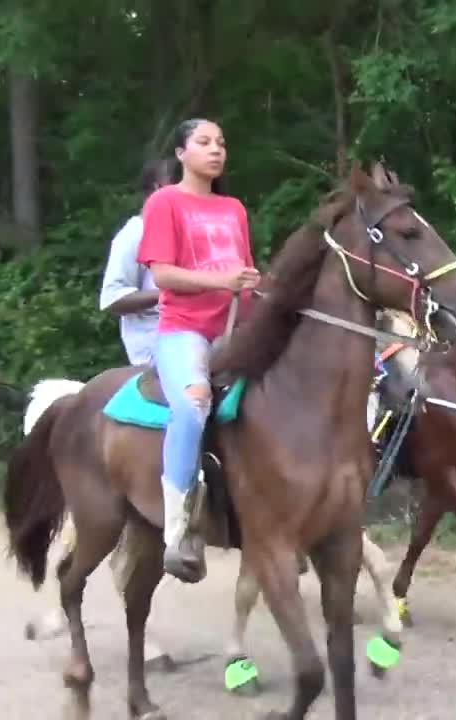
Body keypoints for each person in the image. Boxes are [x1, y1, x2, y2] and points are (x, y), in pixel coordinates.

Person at [137, 117, 260, 579]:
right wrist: (222, 280)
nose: (216, 150)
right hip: (184, 329)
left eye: (221, 143)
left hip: (237, 327)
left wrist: (257, 287)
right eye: (204, 142)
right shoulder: (164, 202)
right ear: (181, 153)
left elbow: (243, 272)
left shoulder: (234, 208)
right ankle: (178, 530)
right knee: (192, 406)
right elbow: (163, 275)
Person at [99, 159, 173, 365]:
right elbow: (112, 299)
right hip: (156, 347)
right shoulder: (135, 233)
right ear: (159, 187)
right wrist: (171, 292)